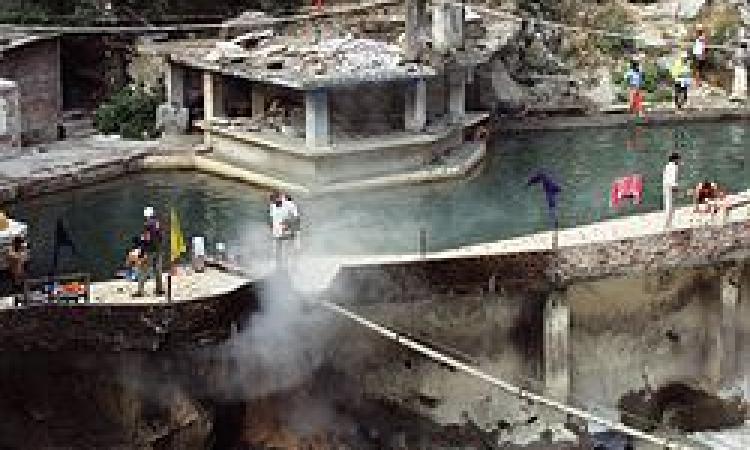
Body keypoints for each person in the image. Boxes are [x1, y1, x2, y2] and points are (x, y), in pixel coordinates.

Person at [141, 206, 164, 296]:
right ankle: (159, 289)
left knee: (144, 269)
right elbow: (161, 237)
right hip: (158, 249)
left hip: (150, 250)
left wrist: (143, 249)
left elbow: (146, 238)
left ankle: (141, 290)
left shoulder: (147, 224)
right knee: (158, 270)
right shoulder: (157, 223)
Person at [663, 152, 680, 228]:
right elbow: (672, 178)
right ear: (674, 159)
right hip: (670, 186)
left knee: (668, 204)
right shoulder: (674, 166)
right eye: (677, 159)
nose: (678, 161)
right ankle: (668, 223)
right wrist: (675, 187)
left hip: (666, 186)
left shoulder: (667, 166)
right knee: (670, 205)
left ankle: (668, 222)